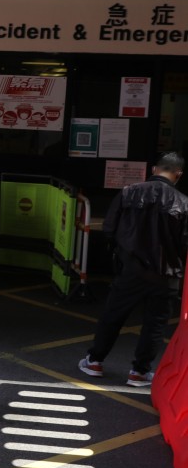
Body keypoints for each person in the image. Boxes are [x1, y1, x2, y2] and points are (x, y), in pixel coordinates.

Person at [79, 152, 188, 387]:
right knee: (155, 324)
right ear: (178, 175)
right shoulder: (184, 202)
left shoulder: (129, 192)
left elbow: (109, 229)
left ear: (153, 169)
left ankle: (95, 361)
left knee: (113, 316)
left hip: (131, 270)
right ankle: (139, 372)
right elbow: (184, 243)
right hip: (166, 276)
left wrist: (123, 254)